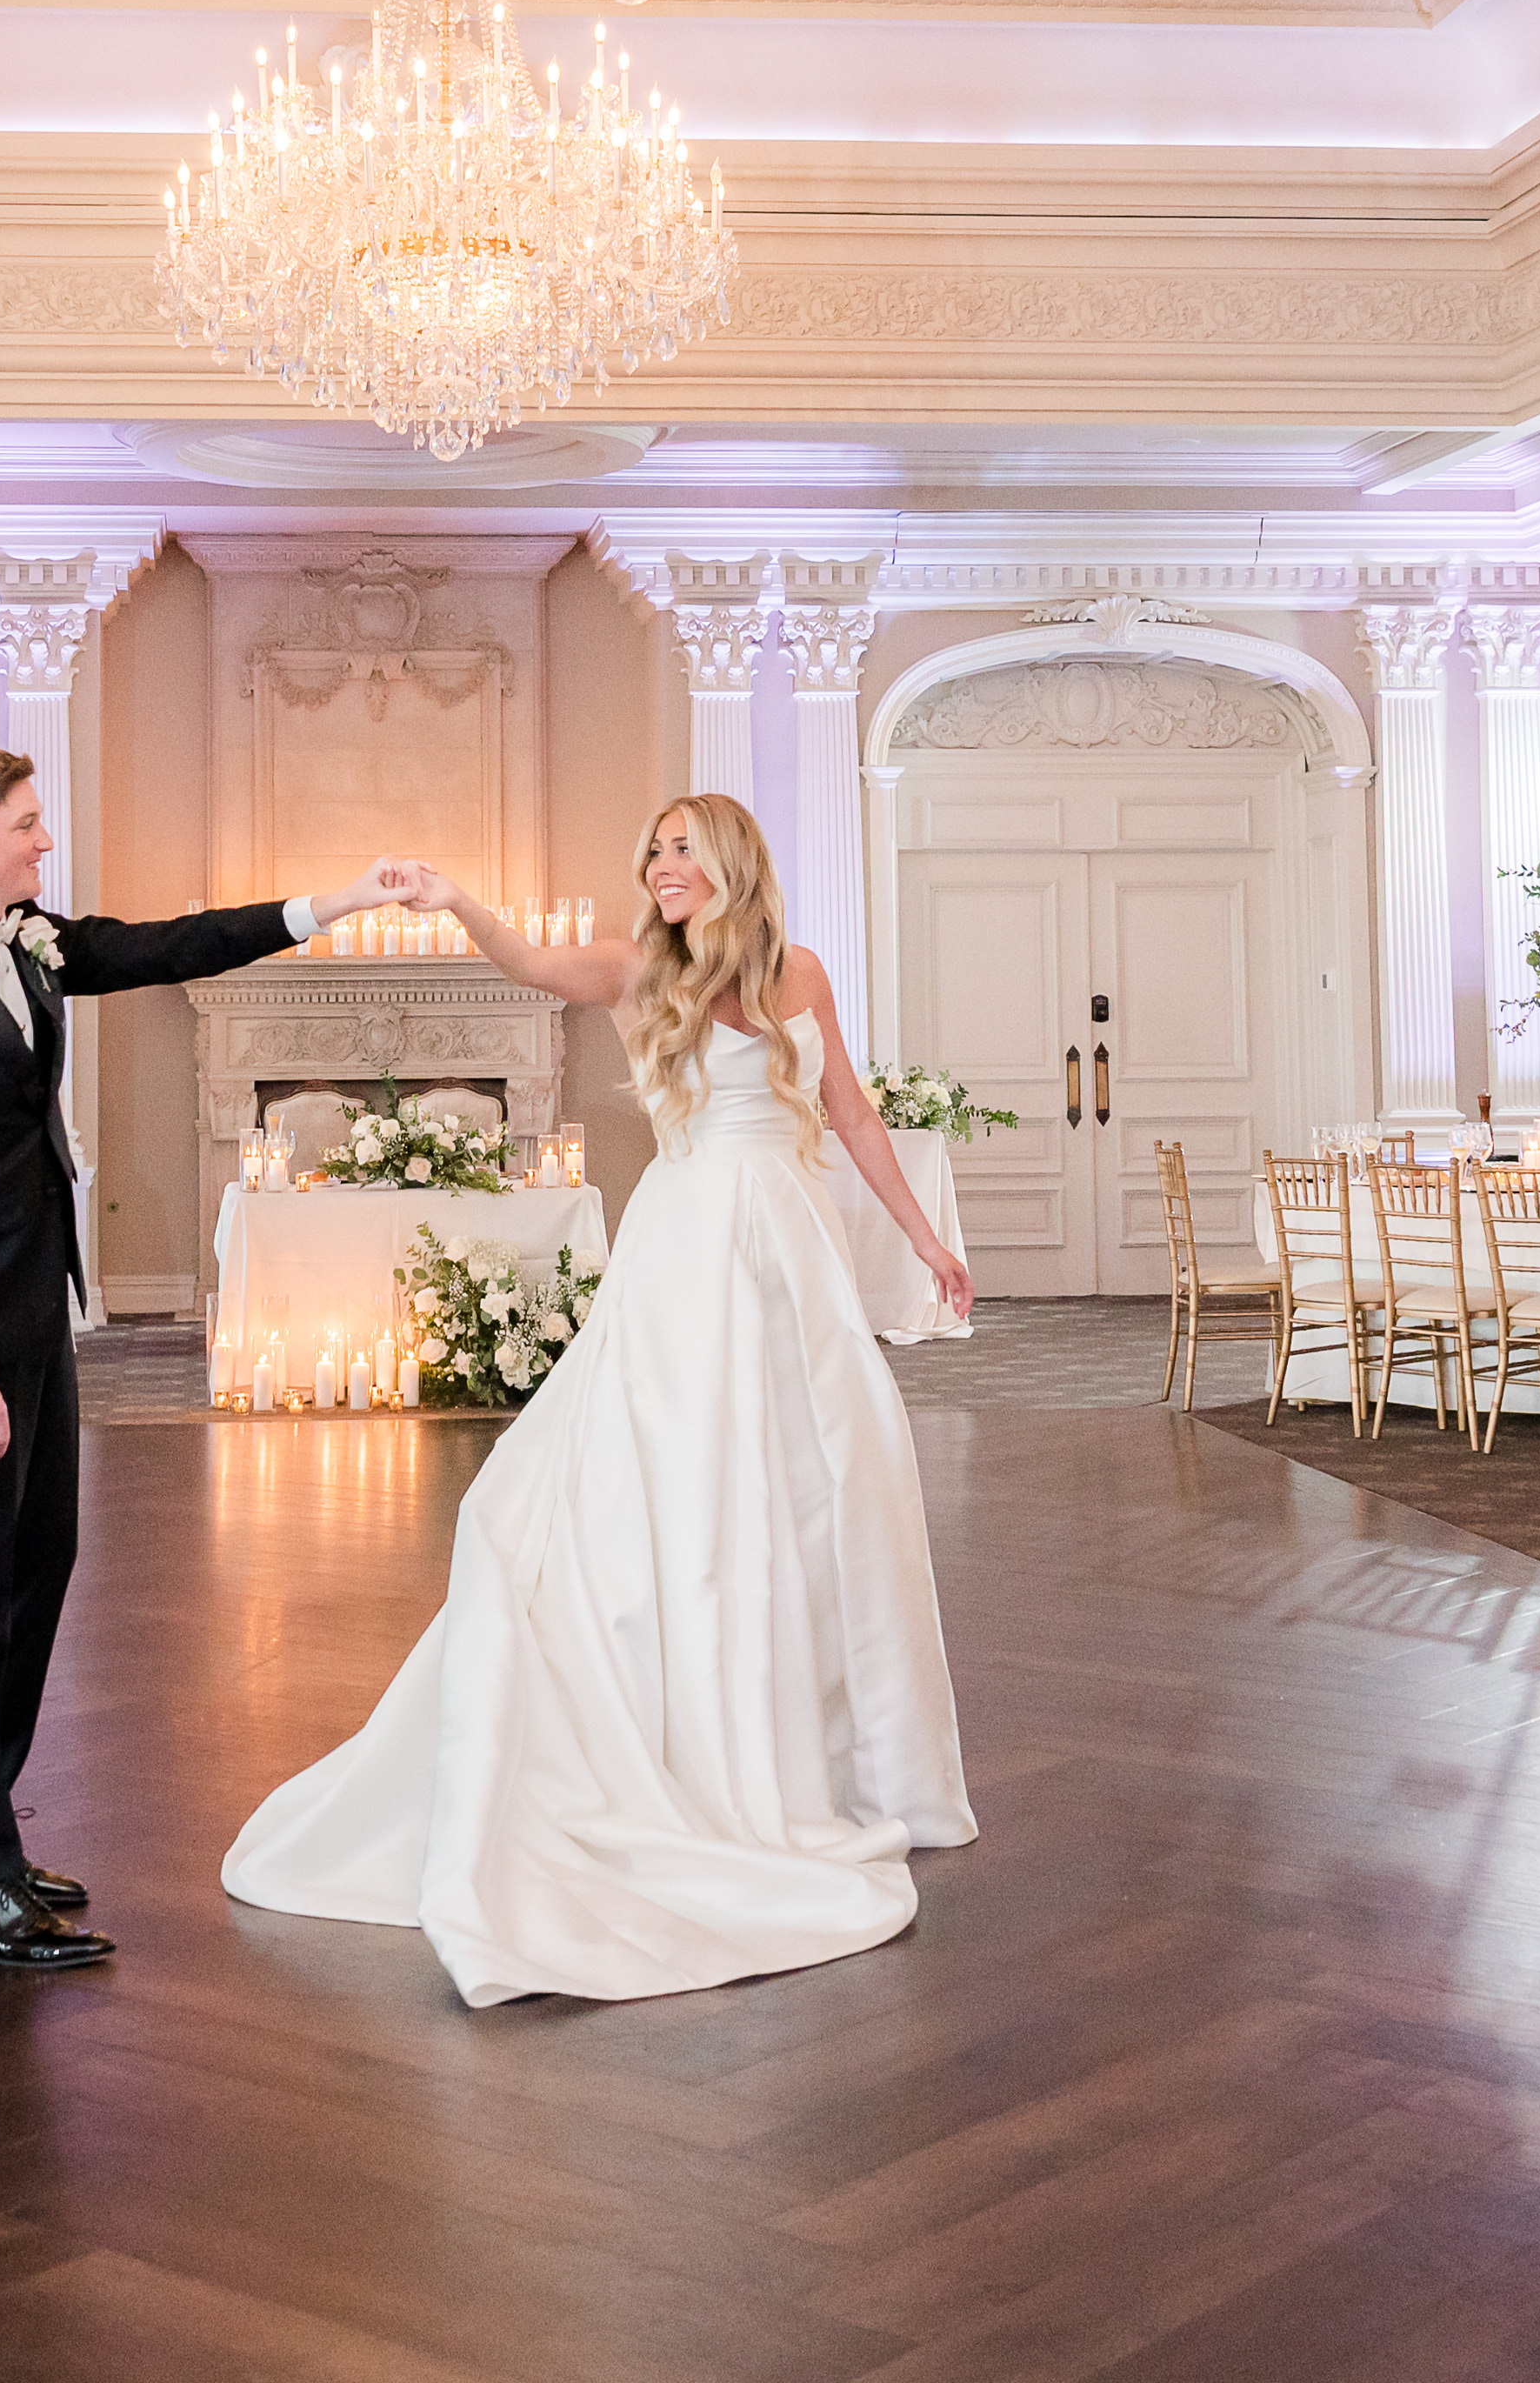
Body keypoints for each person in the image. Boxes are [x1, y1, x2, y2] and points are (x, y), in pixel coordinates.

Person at [221, 795, 980, 2006]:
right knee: (669, 1470)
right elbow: (528, 964)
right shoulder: (641, 966)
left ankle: (824, 1751)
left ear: (734, 860)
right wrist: (456, 897)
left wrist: (927, 1240)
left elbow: (851, 1117)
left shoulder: (804, 975)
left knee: (813, 1478)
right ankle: (671, 1721)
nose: (660, 865)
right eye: (654, 850)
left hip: (785, 1247)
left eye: (682, 849)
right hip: (686, 1245)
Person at [0, 738, 409, 1972]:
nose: (45, 842)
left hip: (34, 1310)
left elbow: (169, 946)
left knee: (41, 1560)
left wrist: (337, 901)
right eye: (28, 825)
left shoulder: (29, 939)